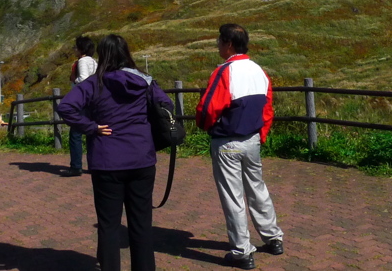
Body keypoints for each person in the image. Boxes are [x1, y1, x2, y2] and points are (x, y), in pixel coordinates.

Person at [58, 34, 169, 271]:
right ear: (126, 53)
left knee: (108, 225)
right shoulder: (145, 81)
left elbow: (66, 107)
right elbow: (166, 105)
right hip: (141, 158)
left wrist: (91, 127)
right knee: (141, 223)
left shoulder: (94, 83)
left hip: (106, 160)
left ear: (102, 55)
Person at [196, 24, 284, 270]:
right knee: (257, 188)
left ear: (229, 44)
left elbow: (209, 108)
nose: (218, 45)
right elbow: (267, 109)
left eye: (220, 41)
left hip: (228, 141)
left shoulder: (224, 71)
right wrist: (261, 134)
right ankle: (273, 237)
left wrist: (204, 125)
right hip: (252, 140)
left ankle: (242, 252)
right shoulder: (258, 70)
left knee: (233, 197)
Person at [63, 35, 97, 176]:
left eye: (75, 47)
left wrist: (74, 81)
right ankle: (94, 164)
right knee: (92, 133)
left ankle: (76, 166)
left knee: (75, 134)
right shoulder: (94, 62)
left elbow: (83, 78)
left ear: (81, 49)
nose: (74, 49)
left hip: (82, 101)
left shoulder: (82, 61)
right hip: (94, 100)